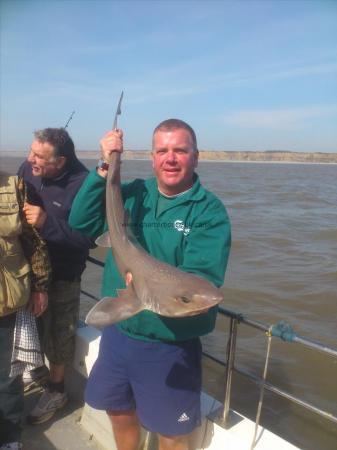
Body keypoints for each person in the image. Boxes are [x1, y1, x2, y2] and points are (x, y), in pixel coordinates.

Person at [69, 119, 231, 450]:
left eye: (180, 151)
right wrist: (105, 166)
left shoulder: (209, 212)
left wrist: (144, 282)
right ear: (153, 157)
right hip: (119, 334)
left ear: (196, 157)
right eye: (162, 151)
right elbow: (81, 221)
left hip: (169, 347)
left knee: (172, 435)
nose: (170, 158)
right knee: (118, 411)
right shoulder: (133, 194)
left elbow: (200, 280)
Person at [17, 128, 94, 425]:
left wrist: (47, 222)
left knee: (60, 333)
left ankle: (57, 389)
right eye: (31, 151)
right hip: (28, 269)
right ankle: (35, 371)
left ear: (60, 161)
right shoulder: (28, 169)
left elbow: (88, 241)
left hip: (64, 273)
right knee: (29, 324)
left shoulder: (85, 185)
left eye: (38, 156)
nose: (29, 159)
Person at [0, 172, 51, 450]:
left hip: (7, 303)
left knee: (8, 379)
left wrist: (40, 286)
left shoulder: (16, 186)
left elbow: (34, 242)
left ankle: (10, 439)